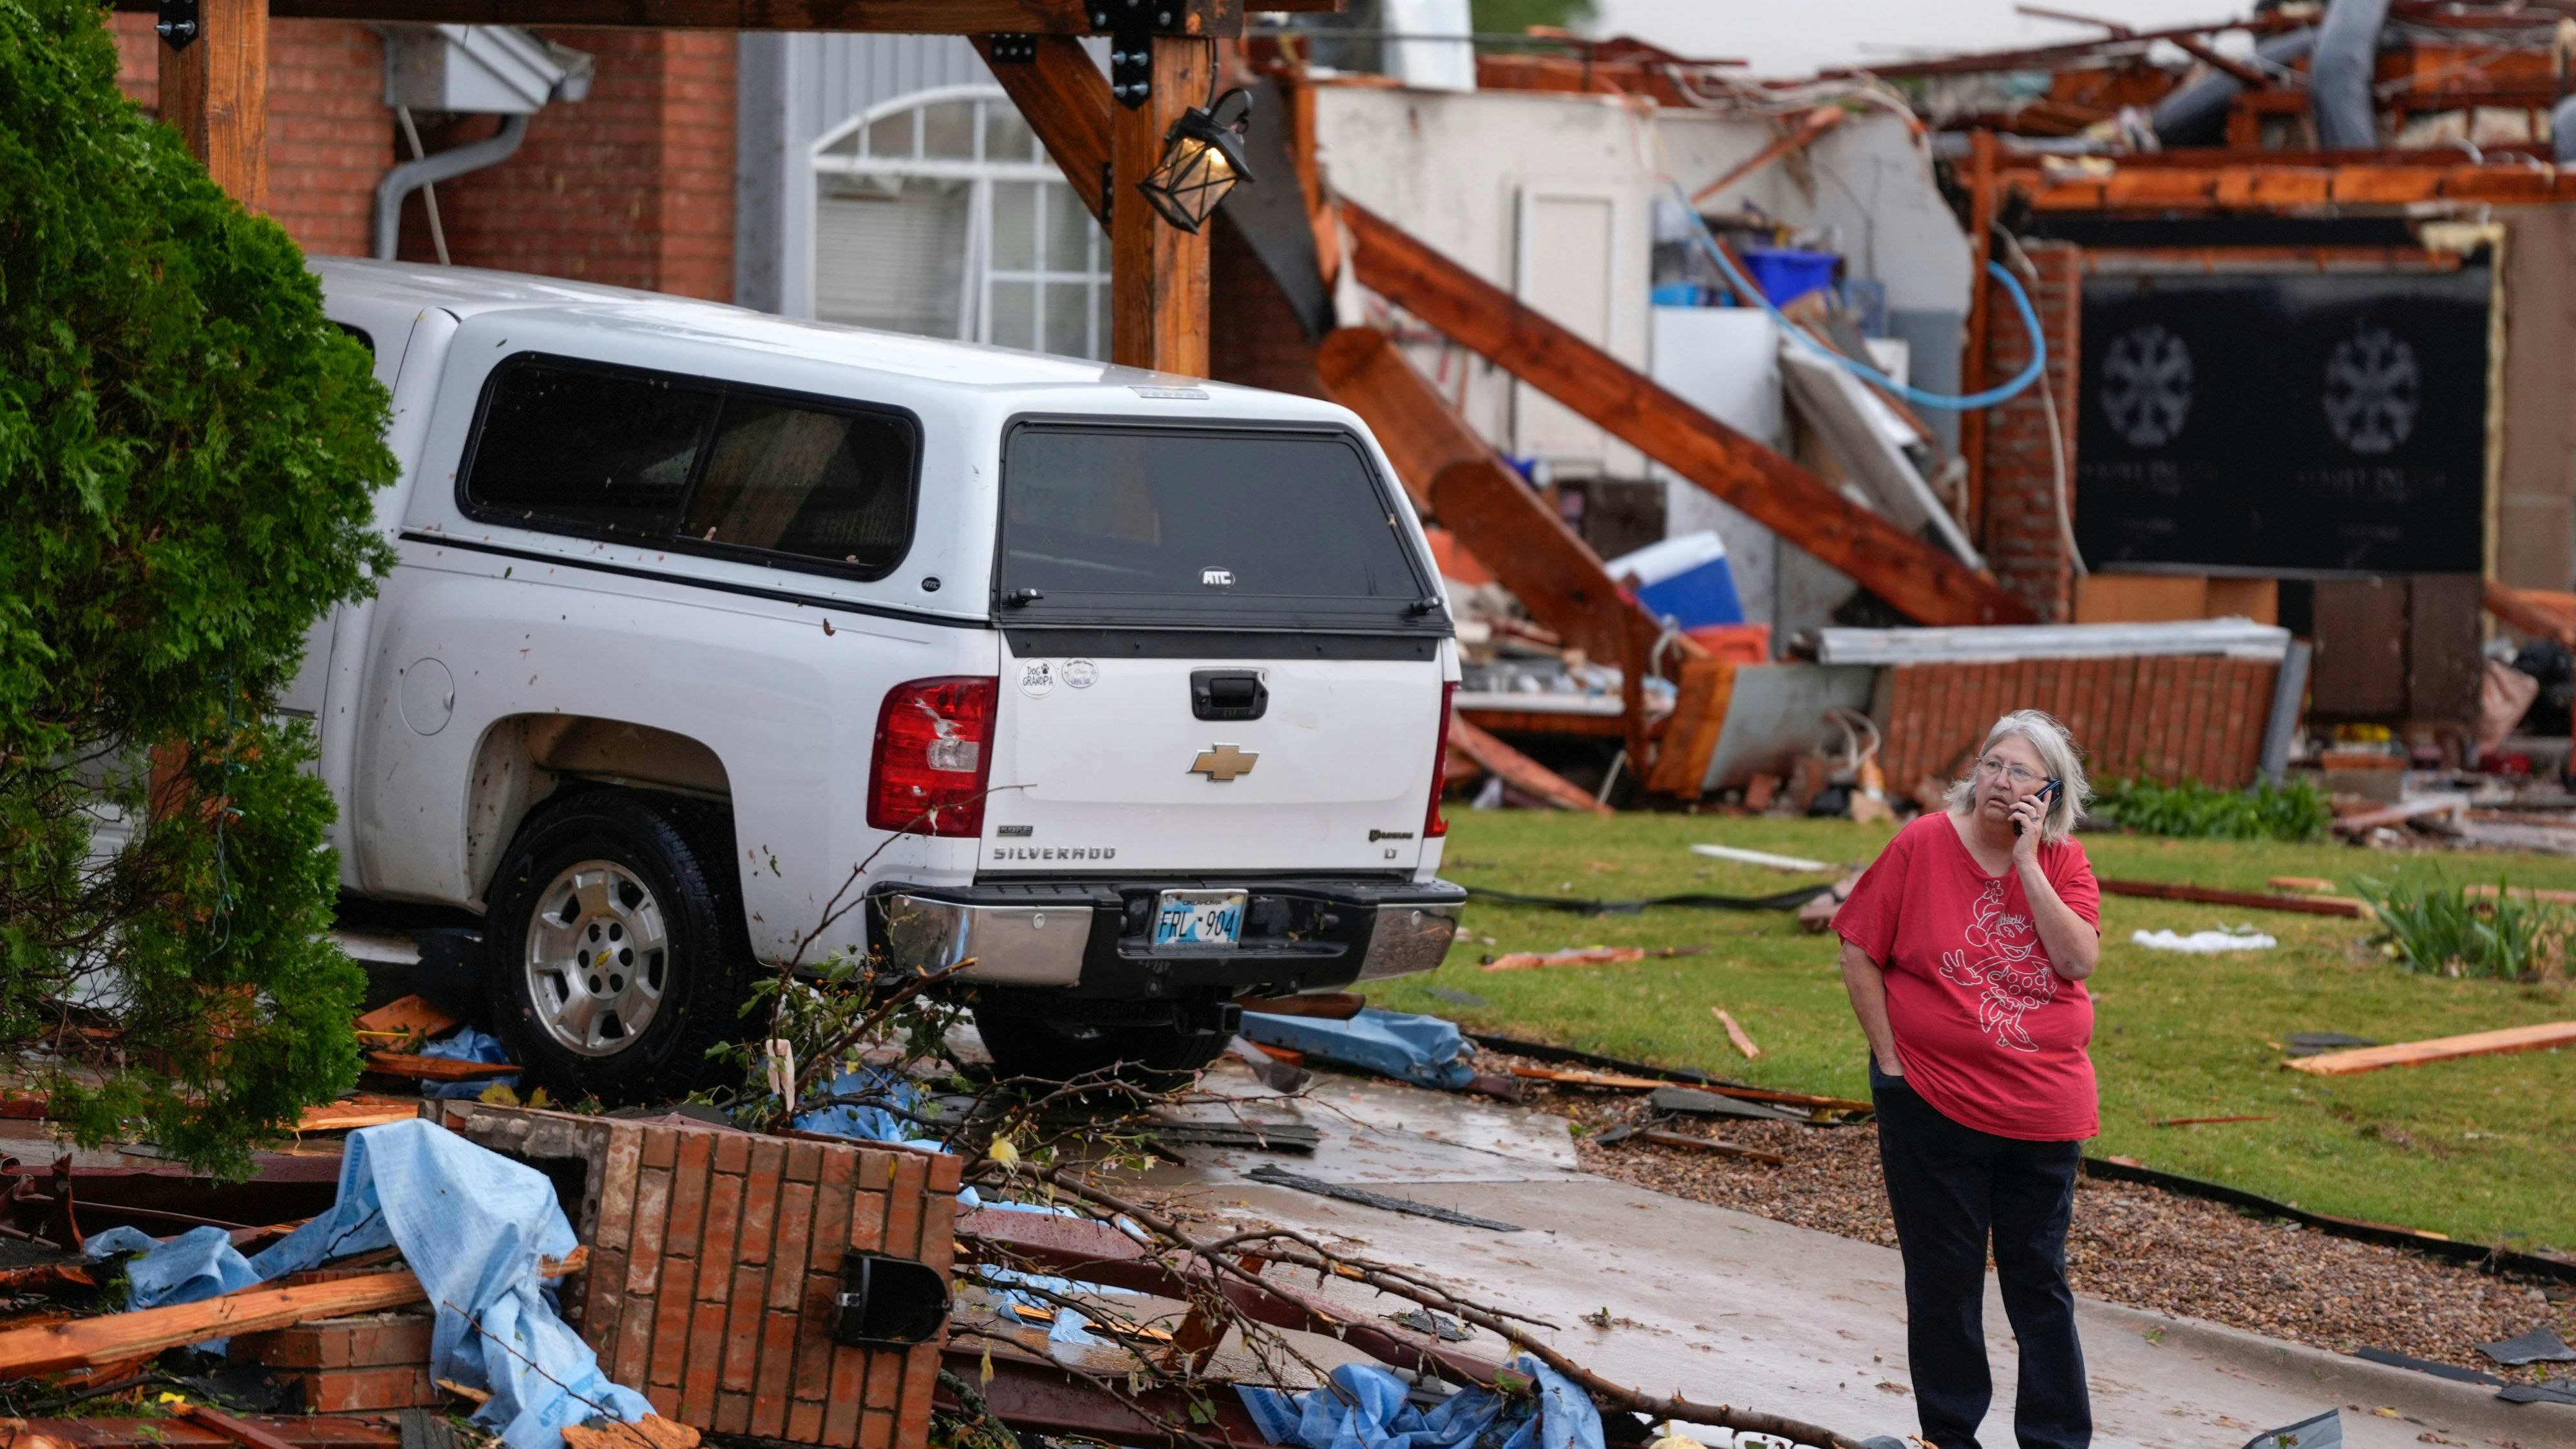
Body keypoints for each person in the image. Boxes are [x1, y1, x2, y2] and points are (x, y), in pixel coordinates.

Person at [1832, 710, 2102, 1449]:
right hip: (1932, 1103)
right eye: (1990, 764)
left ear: (2049, 794)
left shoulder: (2063, 862)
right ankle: (1950, 1436)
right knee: (1944, 1280)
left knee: (2037, 1280)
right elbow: (1858, 948)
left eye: (2020, 773)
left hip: (2042, 1113)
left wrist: (2025, 863)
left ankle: (2055, 1439)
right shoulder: (1921, 843)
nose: (2000, 781)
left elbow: (2077, 961)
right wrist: (1889, 1061)